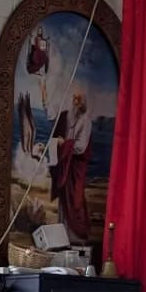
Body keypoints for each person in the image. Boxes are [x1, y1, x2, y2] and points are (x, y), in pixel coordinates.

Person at [52, 89, 93, 241]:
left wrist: (65, 144)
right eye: (74, 99)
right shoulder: (68, 117)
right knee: (64, 200)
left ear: (84, 103)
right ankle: (62, 238)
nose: (76, 102)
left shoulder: (85, 121)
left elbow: (81, 147)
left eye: (79, 99)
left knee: (75, 201)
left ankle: (75, 237)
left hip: (76, 167)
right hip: (66, 165)